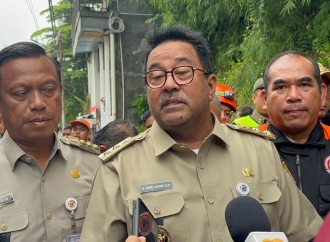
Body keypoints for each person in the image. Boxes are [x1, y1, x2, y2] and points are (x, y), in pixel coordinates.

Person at [80, 25, 322, 242]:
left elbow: (308, 234)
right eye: (156, 76)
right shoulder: (118, 168)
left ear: (210, 86)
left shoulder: (260, 151)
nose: (169, 84)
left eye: (183, 72)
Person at [0, 41, 101, 241]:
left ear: (60, 92)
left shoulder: (95, 165)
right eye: (21, 93)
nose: (38, 103)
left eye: (48, 89)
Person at [259, 50, 330, 217]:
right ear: (264, 99)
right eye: (281, 87)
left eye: (304, 85)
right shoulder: (245, 149)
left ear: (323, 94)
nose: (294, 96)